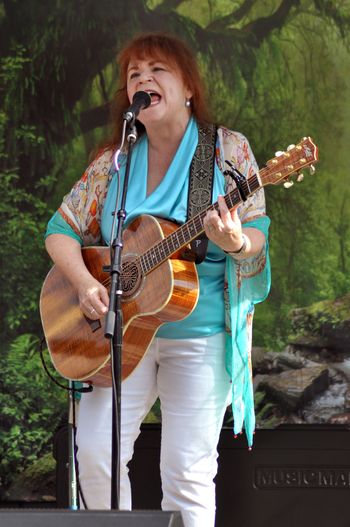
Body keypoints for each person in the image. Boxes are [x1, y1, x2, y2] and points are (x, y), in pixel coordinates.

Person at [45, 32, 270, 527]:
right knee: (96, 456)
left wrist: (233, 242)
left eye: (157, 70)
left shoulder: (227, 150)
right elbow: (60, 230)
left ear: (188, 86)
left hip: (200, 333)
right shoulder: (115, 162)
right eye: (133, 74)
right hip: (119, 335)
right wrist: (85, 284)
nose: (142, 80)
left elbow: (255, 235)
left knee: (185, 471)